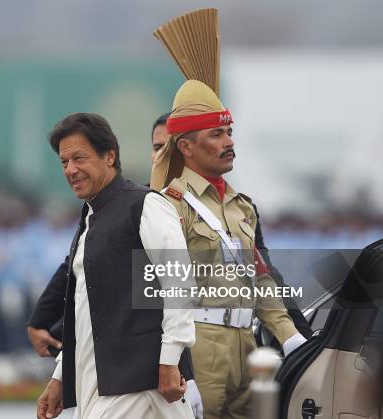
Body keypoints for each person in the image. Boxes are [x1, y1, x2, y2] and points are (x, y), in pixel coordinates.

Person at [149, 78, 308, 419]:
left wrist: (290, 337)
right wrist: (182, 369)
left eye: (229, 133)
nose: (228, 142)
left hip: (248, 346)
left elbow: (260, 280)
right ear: (186, 147)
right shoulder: (170, 206)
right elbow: (162, 294)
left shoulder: (242, 207)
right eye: (216, 135)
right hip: (201, 346)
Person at [36, 113, 195, 419]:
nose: (71, 170)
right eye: (64, 162)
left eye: (79, 158)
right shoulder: (89, 219)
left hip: (142, 384)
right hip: (99, 384)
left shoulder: (145, 205)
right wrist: (59, 377)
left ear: (110, 156)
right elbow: (85, 311)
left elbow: (180, 282)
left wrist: (170, 359)